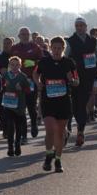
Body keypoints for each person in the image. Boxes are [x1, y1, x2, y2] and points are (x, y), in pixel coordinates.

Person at [36, 36, 78, 173]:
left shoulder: (69, 63)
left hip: (63, 101)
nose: (56, 51)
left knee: (59, 132)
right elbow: (35, 74)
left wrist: (73, 81)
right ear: (50, 48)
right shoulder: (43, 62)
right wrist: (38, 83)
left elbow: (77, 80)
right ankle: (49, 154)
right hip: (48, 101)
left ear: (63, 49)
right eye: (54, 48)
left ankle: (58, 160)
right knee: (50, 129)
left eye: (59, 48)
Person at [65, 17, 97, 147]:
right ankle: (75, 126)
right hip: (75, 78)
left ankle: (80, 131)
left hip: (89, 77)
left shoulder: (93, 40)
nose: (79, 28)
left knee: (82, 104)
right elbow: (65, 57)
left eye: (81, 25)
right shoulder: (70, 41)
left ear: (86, 27)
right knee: (75, 105)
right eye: (77, 25)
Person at [11, 27, 44, 142]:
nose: (25, 36)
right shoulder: (14, 48)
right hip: (17, 81)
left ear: (29, 36)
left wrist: (33, 63)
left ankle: (34, 124)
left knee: (31, 106)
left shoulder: (35, 47)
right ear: (19, 36)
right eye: (23, 34)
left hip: (31, 81)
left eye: (27, 34)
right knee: (20, 108)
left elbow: (42, 62)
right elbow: (8, 63)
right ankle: (23, 135)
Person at [0, 56, 32, 156]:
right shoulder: (5, 75)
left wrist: (21, 88)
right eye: (12, 64)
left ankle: (17, 145)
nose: (14, 67)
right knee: (10, 126)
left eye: (17, 65)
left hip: (19, 106)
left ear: (20, 65)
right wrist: (4, 85)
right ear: (9, 65)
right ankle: (10, 147)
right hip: (8, 105)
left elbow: (29, 90)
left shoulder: (23, 76)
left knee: (18, 127)